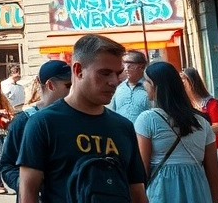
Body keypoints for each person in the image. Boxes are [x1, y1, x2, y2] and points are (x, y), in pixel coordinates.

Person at [17, 34, 148, 203]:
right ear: (78, 70)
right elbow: (28, 192)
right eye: (105, 73)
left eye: (118, 74)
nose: (114, 81)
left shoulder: (124, 127)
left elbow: (137, 192)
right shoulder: (43, 123)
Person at [136, 61, 218, 203]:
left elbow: (142, 170)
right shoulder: (202, 122)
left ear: (156, 86)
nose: (143, 85)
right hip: (198, 191)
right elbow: (213, 173)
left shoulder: (147, 119)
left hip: (162, 191)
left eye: (146, 81)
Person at [0, 60, 72, 199]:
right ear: (50, 85)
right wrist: (27, 184)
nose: (73, 91)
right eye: (68, 86)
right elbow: (7, 166)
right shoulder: (23, 121)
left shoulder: (77, 118)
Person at [182, 66, 218, 202]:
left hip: (216, 149)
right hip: (196, 150)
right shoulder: (185, 104)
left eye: (183, 80)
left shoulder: (210, 103)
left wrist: (201, 133)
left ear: (191, 82)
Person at [110, 50, 152, 122]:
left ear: (141, 67)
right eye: (124, 66)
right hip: (122, 131)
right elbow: (113, 112)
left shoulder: (151, 88)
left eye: (130, 66)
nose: (126, 69)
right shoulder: (119, 88)